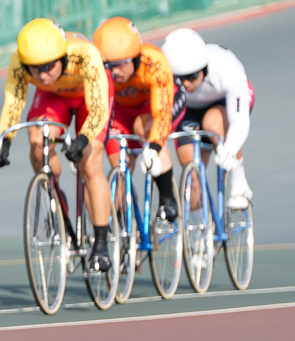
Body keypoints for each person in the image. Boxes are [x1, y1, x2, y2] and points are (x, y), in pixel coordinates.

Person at [0, 17, 113, 274]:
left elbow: (99, 108)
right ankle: (55, 193)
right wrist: (5, 142)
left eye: (49, 66)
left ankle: (101, 243)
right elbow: (13, 104)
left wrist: (83, 138)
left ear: (62, 57)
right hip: (53, 98)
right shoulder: (20, 62)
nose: (43, 74)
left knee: (90, 161)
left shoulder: (85, 55)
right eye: (35, 69)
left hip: (88, 98)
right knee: (37, 141)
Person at [158, 27, 254, 212]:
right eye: (178, 78)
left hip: (223, 102)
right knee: (191, 169)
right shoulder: (162, 76)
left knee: (213, 123)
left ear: (204, 68)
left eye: (192, 76)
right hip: (188, 109)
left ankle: (239, 184)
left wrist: (231, 149)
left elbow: (239, 120)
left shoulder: (226, 67)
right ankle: (199, 229)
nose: (186, 84)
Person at [94, 16, 178, 221]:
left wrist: (155, 148)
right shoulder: (98, 70)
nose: (115, 71)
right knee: (119, 173)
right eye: (109, 65)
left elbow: (162, 114)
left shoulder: (155, 63)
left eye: (121, 64)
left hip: (151, 107)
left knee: (144, 127)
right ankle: (127, 225)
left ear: (136, 57)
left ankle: (167, 196)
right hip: (120, 111)